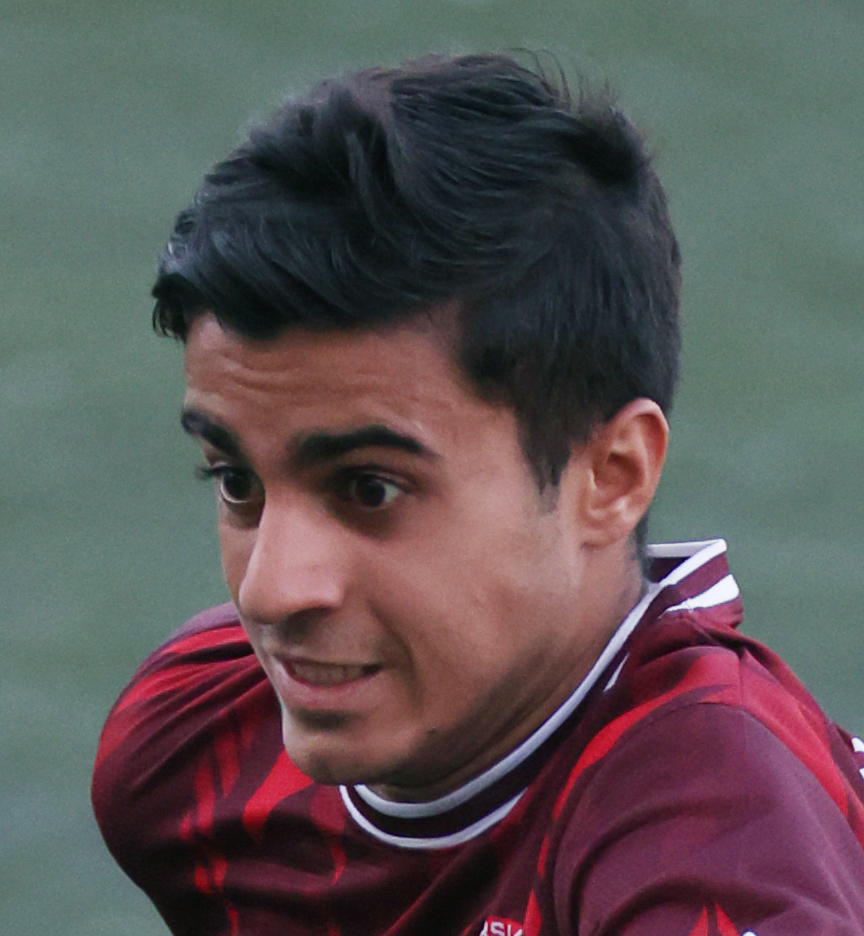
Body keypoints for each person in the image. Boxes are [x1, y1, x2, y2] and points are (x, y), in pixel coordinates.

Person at [91, 53, 864, 936]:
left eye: (371, 489)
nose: (271, 591)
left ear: (611, 476)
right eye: (238, 483)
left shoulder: (714, 837)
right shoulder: (191, 749)